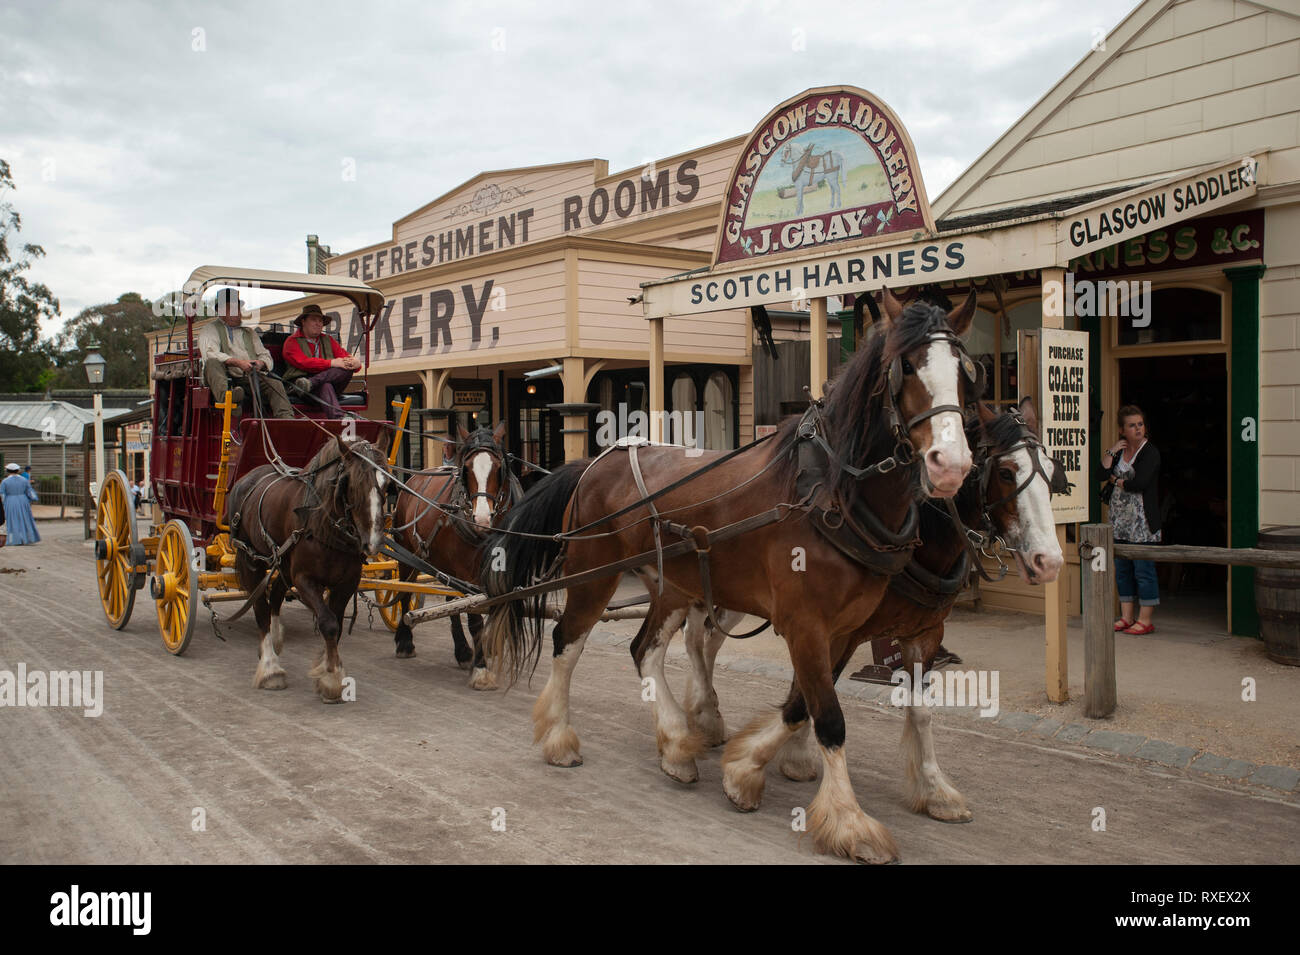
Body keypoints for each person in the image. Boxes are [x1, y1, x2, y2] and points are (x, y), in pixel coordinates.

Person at [1102, 404, 1161, 635]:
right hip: (1119, 521)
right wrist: (1111, 451)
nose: (1138, 429)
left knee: (1143, 570)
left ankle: (1145, 619)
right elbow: (1100, 473)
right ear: (1122, 430)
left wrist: (1116, 480)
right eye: (1132, 425)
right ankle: (1126, 616)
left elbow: (1140, 483)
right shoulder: (1119, 452)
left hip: (1142, 522)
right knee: (1122, 568)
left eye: (1140, 424)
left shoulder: (1150, 452)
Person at [197, 288, 293, 419]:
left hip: (248, 376)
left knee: (276, 384)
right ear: (221, 311)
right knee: (212, 363)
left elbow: (265, 354)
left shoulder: (249, 332)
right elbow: (210, 353)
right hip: (223, 377)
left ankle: (287, 419)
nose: (238, 313)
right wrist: (237, 362)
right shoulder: (209, 329)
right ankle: (229, 400)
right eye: (232, 308)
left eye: (238, 308)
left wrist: (261, 363)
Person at [281, 303, 361, 417]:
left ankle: (311, 383)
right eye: (314, 320)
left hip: (317, 384)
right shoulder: (292, 341)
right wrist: (332, 363)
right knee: (325, 385)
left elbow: (346, 358)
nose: (318, 323)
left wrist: (356, 363)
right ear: (303, 321)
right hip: (301, 388)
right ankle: (338, 419)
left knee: (347, 369)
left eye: (320, 321)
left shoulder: (328, 340)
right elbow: (304, 363)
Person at [2, 462, 40, 545]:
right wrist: (33, 498)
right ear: (18, 470)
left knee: (11, 520)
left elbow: (2, 494)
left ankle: (12, 540)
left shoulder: (5, 481)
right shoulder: (24, 480)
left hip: (10, 501)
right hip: (23, 501)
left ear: (8, 471)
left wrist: (2, 503)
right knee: (24, 519)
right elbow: (29, 491)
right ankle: (25, 539)